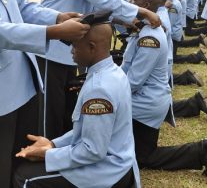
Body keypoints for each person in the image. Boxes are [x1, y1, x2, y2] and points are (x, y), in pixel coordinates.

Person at [38, 0, 160, 140]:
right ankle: (46, 159)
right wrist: (141, 12)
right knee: (51, 111)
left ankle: (59, 152)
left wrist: (122, 20)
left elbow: (93, 6)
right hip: (51, 47)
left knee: (66, 104)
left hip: (68, 45)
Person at [14, 19, 140, 188]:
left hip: (107, 172)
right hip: (119, 162)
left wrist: (48, 154)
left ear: (92, 47)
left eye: (74, 45)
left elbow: (92, 151)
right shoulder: (114, 72)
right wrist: (53, 143)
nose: (71, 51)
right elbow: (87, 129)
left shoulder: (99, 89)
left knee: (24, 177)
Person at [0, 0, 90, 188]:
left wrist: (56, 17)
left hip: (22, 79)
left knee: (21, 156)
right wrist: (51, 32)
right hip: (2, 94)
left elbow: (20, 5)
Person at [122, 0, 207, 176]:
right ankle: (193, 107)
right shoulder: (145, 26)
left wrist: (109, 94)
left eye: (135, 0)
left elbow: (133, 82)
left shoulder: (150, 38)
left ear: (146, 4)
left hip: (143, 104)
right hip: (146, 100)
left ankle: (200, 151)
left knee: (143, 157)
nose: (131, 3)